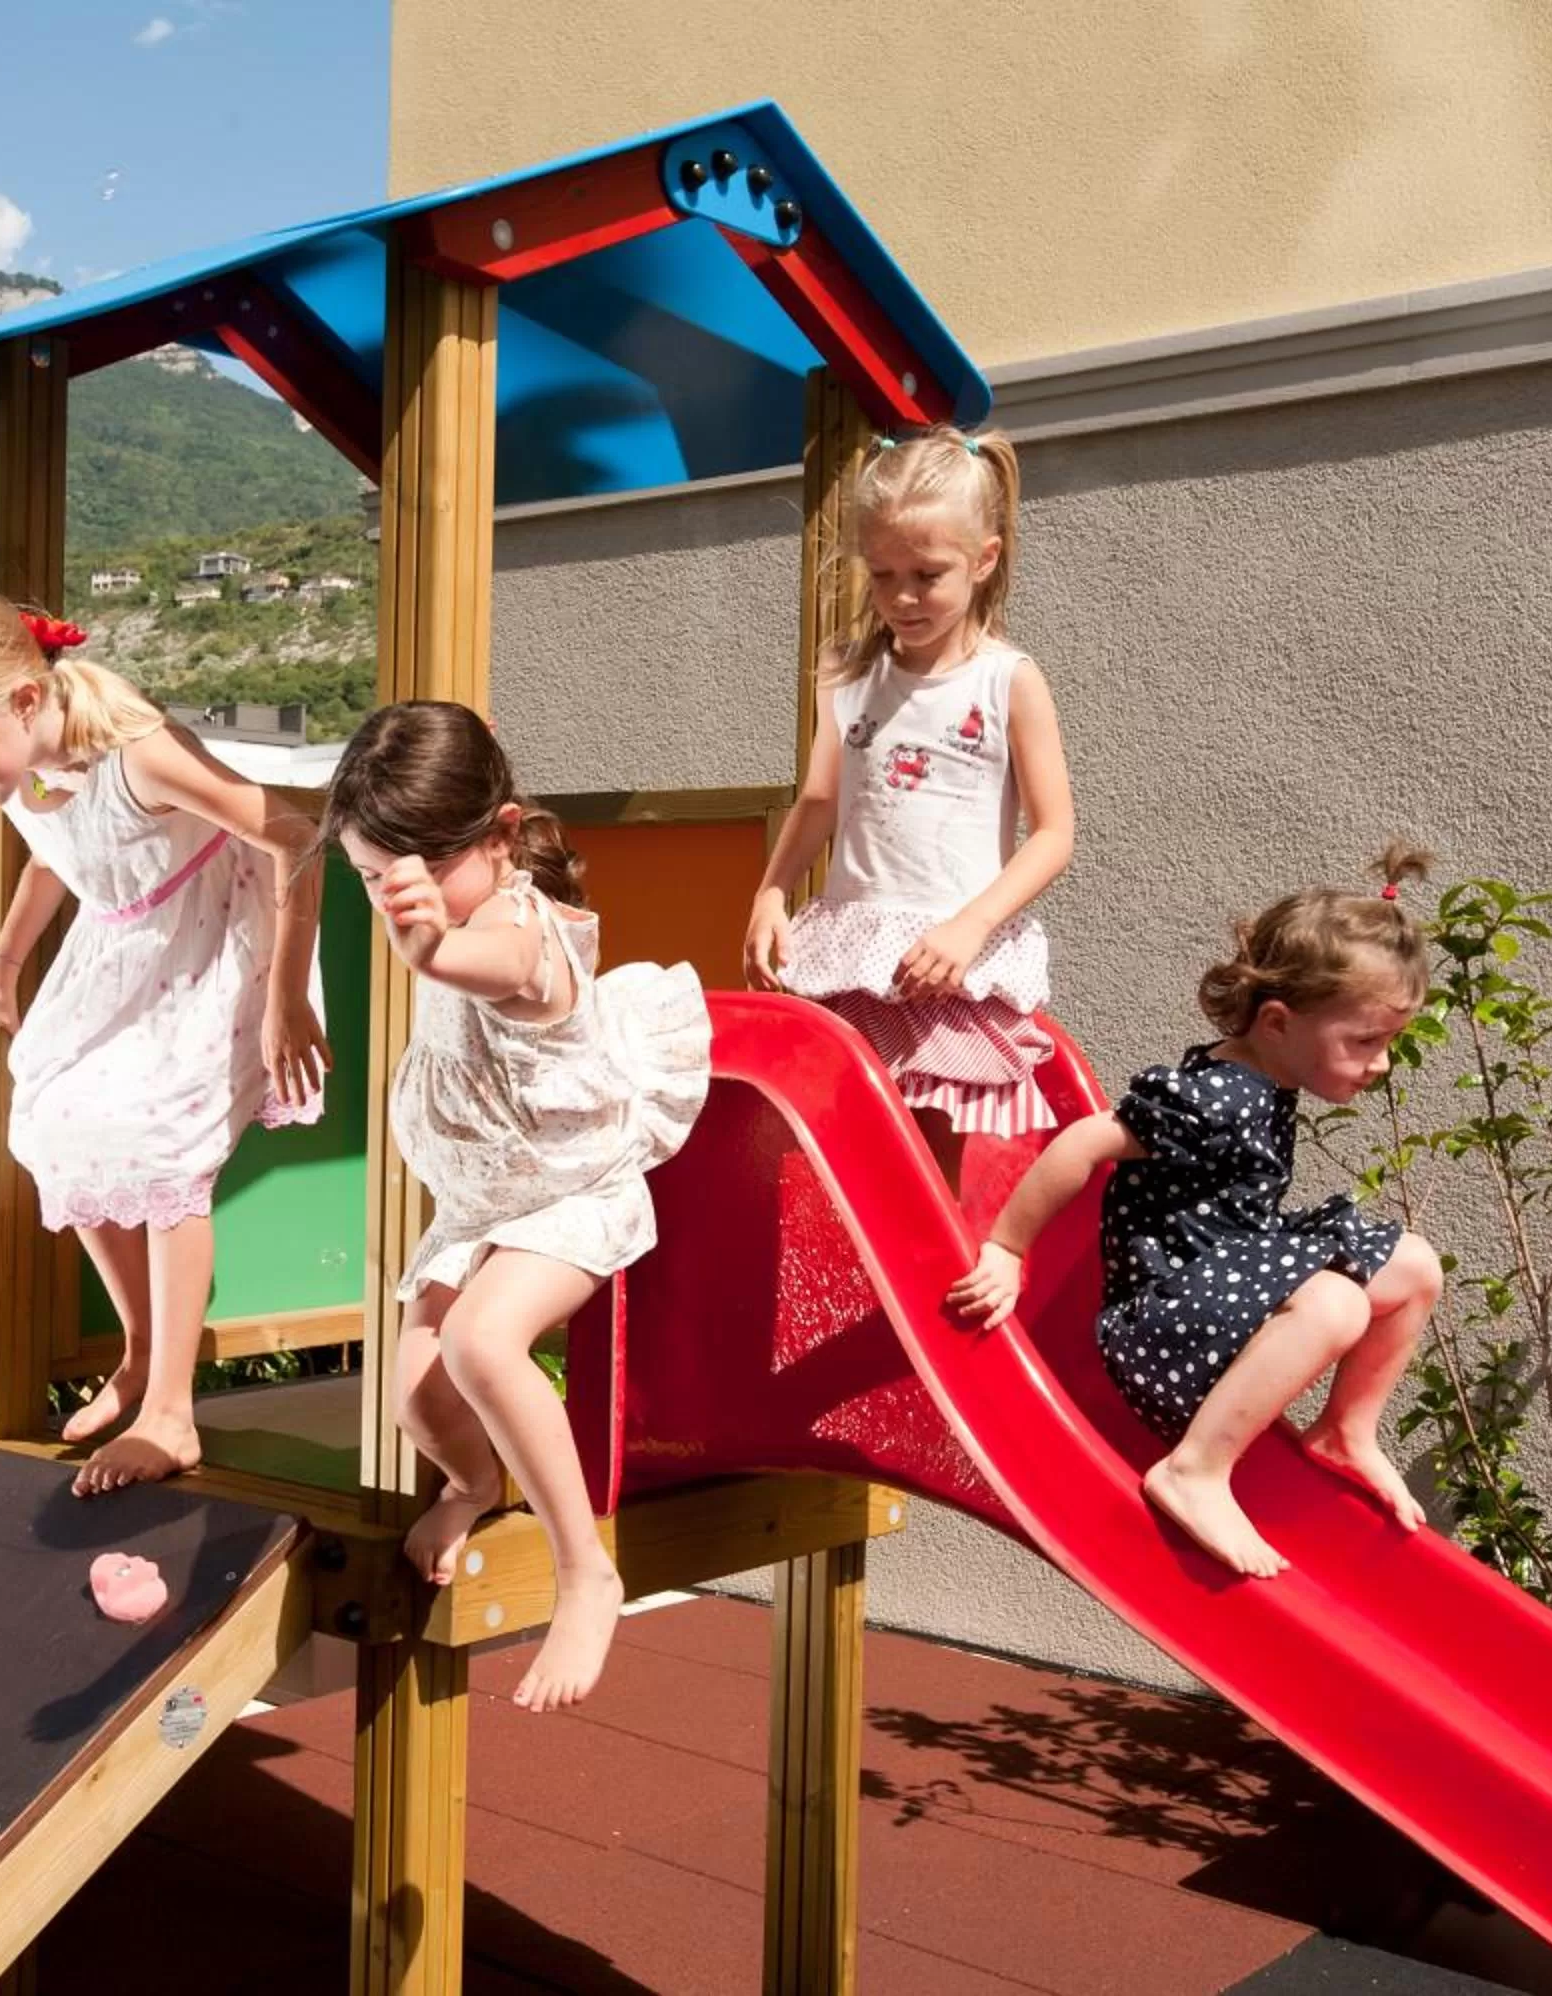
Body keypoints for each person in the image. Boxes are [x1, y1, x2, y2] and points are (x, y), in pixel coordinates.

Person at [0, 587, 327, 1494]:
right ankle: (142, 1349)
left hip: (219, 943)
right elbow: (55, 851)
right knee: (48, 1124)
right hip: (122, 940)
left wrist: (285, 994)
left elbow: (298, 838)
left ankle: (171, 1411)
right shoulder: (29, 770)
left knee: (160, 1143)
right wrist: (0, 972)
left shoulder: (139, 758)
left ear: (24, 700)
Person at [324, 701, 710, 1710]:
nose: (393, 893)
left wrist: (422, 939)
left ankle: (587, 1568)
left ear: (498, 838)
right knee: (417, 1391)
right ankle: (472, 1484)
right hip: (484, 1197)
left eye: (415, 868)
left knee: (485, 1343)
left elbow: (479, 966)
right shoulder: (456, 898)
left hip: (570, 1185)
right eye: (371, 876)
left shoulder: (513, 928)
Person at [949, 847, 1446, 1578]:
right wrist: (1007, 1250)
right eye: (1366, 1041)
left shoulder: (1265, 1078)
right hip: (1161, 1325)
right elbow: (1084, 1143)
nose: (1381, 1063)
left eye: (1388, 1042)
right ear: (1277, 1022)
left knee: (1416, 1265)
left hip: (1218, 1282)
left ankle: (1346, 1429)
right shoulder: (1215, 1098)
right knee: (1337, 1305)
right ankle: (1195, 1471)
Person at [745, 423, 1074, 1185]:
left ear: (983, 560)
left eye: (927, 574)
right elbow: (821, 799)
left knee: (928, 1160)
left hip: (944, 958)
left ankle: (914, 1296)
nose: (901, 596)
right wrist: (769, 892)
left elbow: (1054, 833)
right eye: (883, 573)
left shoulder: (1007, 681)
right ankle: (845, 1298)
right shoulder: (850, 673)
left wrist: (971, 927)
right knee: (833, 1150)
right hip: (851, 947)